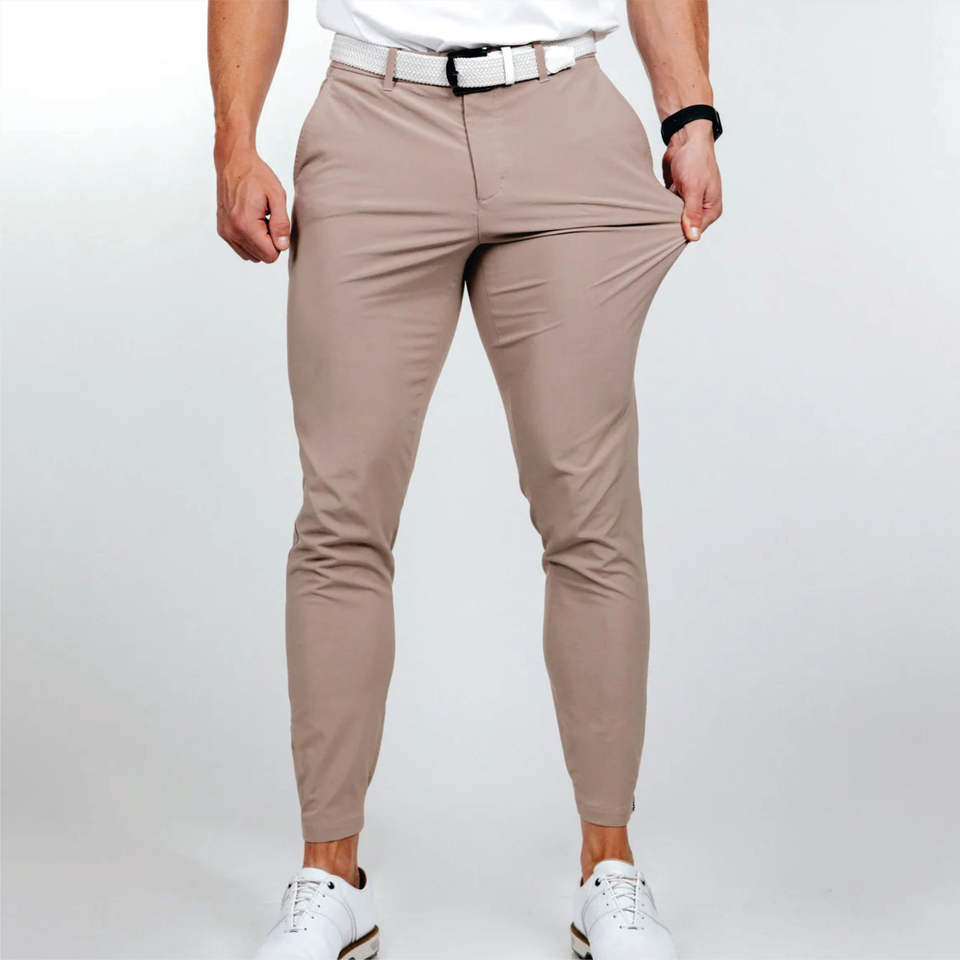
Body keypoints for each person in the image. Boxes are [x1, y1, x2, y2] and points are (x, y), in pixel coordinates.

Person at [207, 1, 722, 956]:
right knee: (342, 513)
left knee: (589, 510)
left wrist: (689, 114)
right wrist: (234, 143)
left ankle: (609, 868)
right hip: (373, 122)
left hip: (566, 122)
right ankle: (330, 878)